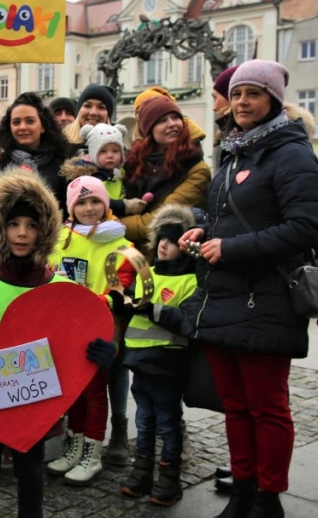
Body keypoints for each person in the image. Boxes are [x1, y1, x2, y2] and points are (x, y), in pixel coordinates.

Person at [181, 60, 318, 518]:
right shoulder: (236, 151)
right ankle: (243, 491)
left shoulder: (292, 153)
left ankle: (268, 498)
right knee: (235, 406)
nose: (242, 102)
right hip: (225, 296)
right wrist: (201, 231)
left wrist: (232, 248)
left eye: (254, 94)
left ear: (273, 100)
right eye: (238, 93)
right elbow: (228, 217)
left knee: (267, 408)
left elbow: (304, 228)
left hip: (266, 298)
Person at [0, 169, 116, 517]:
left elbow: (77, 339)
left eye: (31, 224)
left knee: (30, 472)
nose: (23, 233)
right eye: (14, 224)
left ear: (45, 229)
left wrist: (102, 353)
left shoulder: (58, 287)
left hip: (35, 402)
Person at [46, 176, 134, 486]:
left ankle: (92, 455)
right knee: (73, 391)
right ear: (71, 208)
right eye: (81, 202)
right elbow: (47, 275)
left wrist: (92, 301)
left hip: (99, 326)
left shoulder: (122, 244)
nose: (89, 207)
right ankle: (75, 447)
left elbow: (127, 290)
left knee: (95, 392)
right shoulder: (60, 238)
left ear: (106, 204)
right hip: (64, 326)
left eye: (95, 200)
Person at [119, 204, 198, 507]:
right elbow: (132, 306)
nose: (165, 245)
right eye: (162, 239)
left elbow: (186, 321)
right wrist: (122, 302)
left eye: (173, 241)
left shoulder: (190, 281)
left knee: (167, 422)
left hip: (167, 365)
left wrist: (150, 309)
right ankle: (141, 471)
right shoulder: (145, 273)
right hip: (139, 362)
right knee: (144, 420)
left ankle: (169, 478)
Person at [0, 92, 73, 242]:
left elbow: (68, 212)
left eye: (29, 121)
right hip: (3, 248)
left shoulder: (59, 161)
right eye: (16, 122)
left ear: (43, 126)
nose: (22, 127)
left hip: (47, 248)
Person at [122, 95, 212, 250]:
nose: (172, 124)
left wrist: (109, 226)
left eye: (176, 118)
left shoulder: (197, 169)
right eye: (162, 121)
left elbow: (159, 218)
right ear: (149, 129)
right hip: (128, 254)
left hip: (166, 258)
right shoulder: (135, 163)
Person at [60, 122, 149, 218]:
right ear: (93, 153)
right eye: (103, 151)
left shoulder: (120, 173)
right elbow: (96, 202)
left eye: (115, 151)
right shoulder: (87, 176)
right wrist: (125, 206)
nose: (110, 155)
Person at [131, 86, 206, 145]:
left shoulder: (189, 150)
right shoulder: (137, 153)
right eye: (137, 111)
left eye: (175, 117)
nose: (172, 124)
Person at [64, 84, 116, 149]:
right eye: (87, 106)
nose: (93, 112)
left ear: (108, 115)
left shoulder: (118, 149)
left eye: (101, 107)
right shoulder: (60, 144)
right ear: (79, 110)